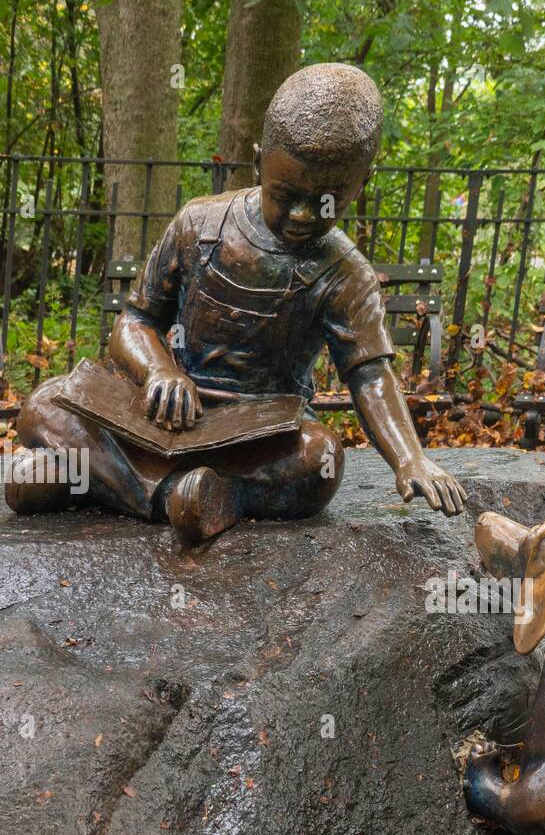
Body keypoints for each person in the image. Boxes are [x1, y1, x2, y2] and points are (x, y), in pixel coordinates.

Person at [6, 63, 465, 541]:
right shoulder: (198, 224)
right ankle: (179, 497)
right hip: (158, 414)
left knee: (320, 462)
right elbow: (136, 320)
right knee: (43, 404)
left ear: (362, 181)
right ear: (258, 161)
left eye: (326, 200)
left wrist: (410, 456)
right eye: (285, 195)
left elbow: (370, 374)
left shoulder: (346, 274)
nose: (303, 215)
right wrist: (160, 371)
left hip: (257, 437)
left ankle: (93, 479)